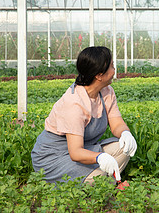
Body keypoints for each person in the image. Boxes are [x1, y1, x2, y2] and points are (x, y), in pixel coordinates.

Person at [31, 46, 137, 185]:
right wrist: (100, 157)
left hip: (85, 149)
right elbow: (75, 152)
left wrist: (125, 133)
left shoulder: (106, 91)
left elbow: (116, 123)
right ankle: (102, 183)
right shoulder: (74, 103)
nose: (114, 70)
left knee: (124, 148)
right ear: (99, 75)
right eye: (111, 66)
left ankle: (103, 181)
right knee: (98, 177)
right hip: (54, 157)